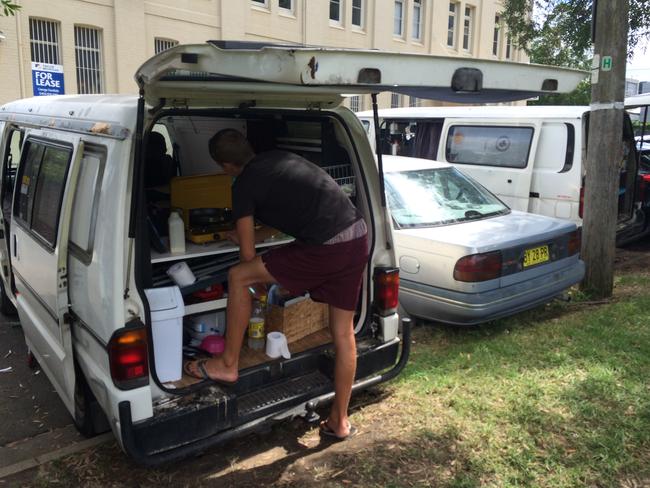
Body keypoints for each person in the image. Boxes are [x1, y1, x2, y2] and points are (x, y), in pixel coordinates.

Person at [184, 128, 368, 440]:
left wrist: (250, 255)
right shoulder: (278, 158)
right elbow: (291, 206)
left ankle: (228, 363)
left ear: (224, 166)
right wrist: (257, 233)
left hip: (326, 247)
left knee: (238, 277)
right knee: (343, 333)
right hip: (357, 234)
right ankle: (340, 421)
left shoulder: (242, 185)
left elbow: (245, 258)